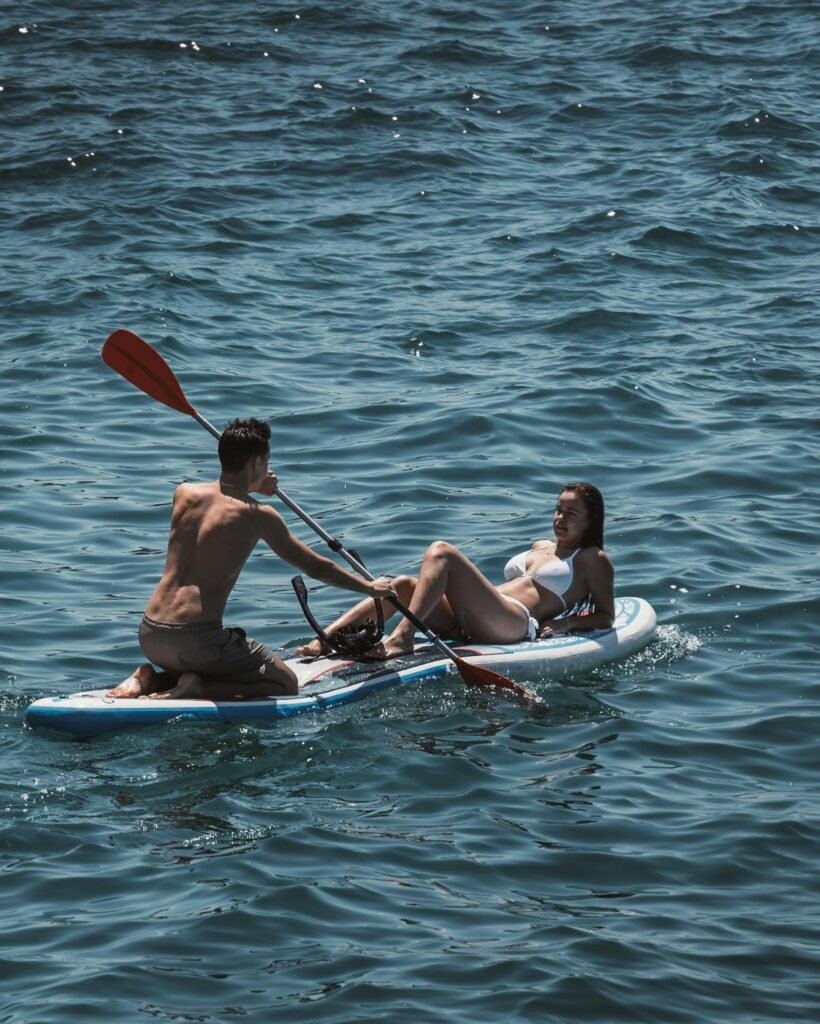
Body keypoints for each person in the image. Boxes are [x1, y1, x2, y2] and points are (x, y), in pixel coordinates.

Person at [106, 418, 394, 700]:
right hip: (196, 641)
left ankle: (151, 678)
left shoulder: (184, 493)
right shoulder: (260, 516)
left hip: (150, 634)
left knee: (201, 660)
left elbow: (224, 499)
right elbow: (316, 567)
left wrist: (251, 485)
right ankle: (196, 688)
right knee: (285, 683)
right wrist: (369, 588)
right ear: (256, 463)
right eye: (266, 462)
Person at [296, 482, 614, 660]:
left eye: (571, 513)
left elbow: (606, 616)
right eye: (558, 510)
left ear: (590, 521)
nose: (560, 518)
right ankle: (327, 639)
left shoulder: (592, 559)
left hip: (513, 624)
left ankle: (403, 638)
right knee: (403, 586)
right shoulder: (540, 545)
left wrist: (567, 623)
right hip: (475, 619)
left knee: (442, 552)